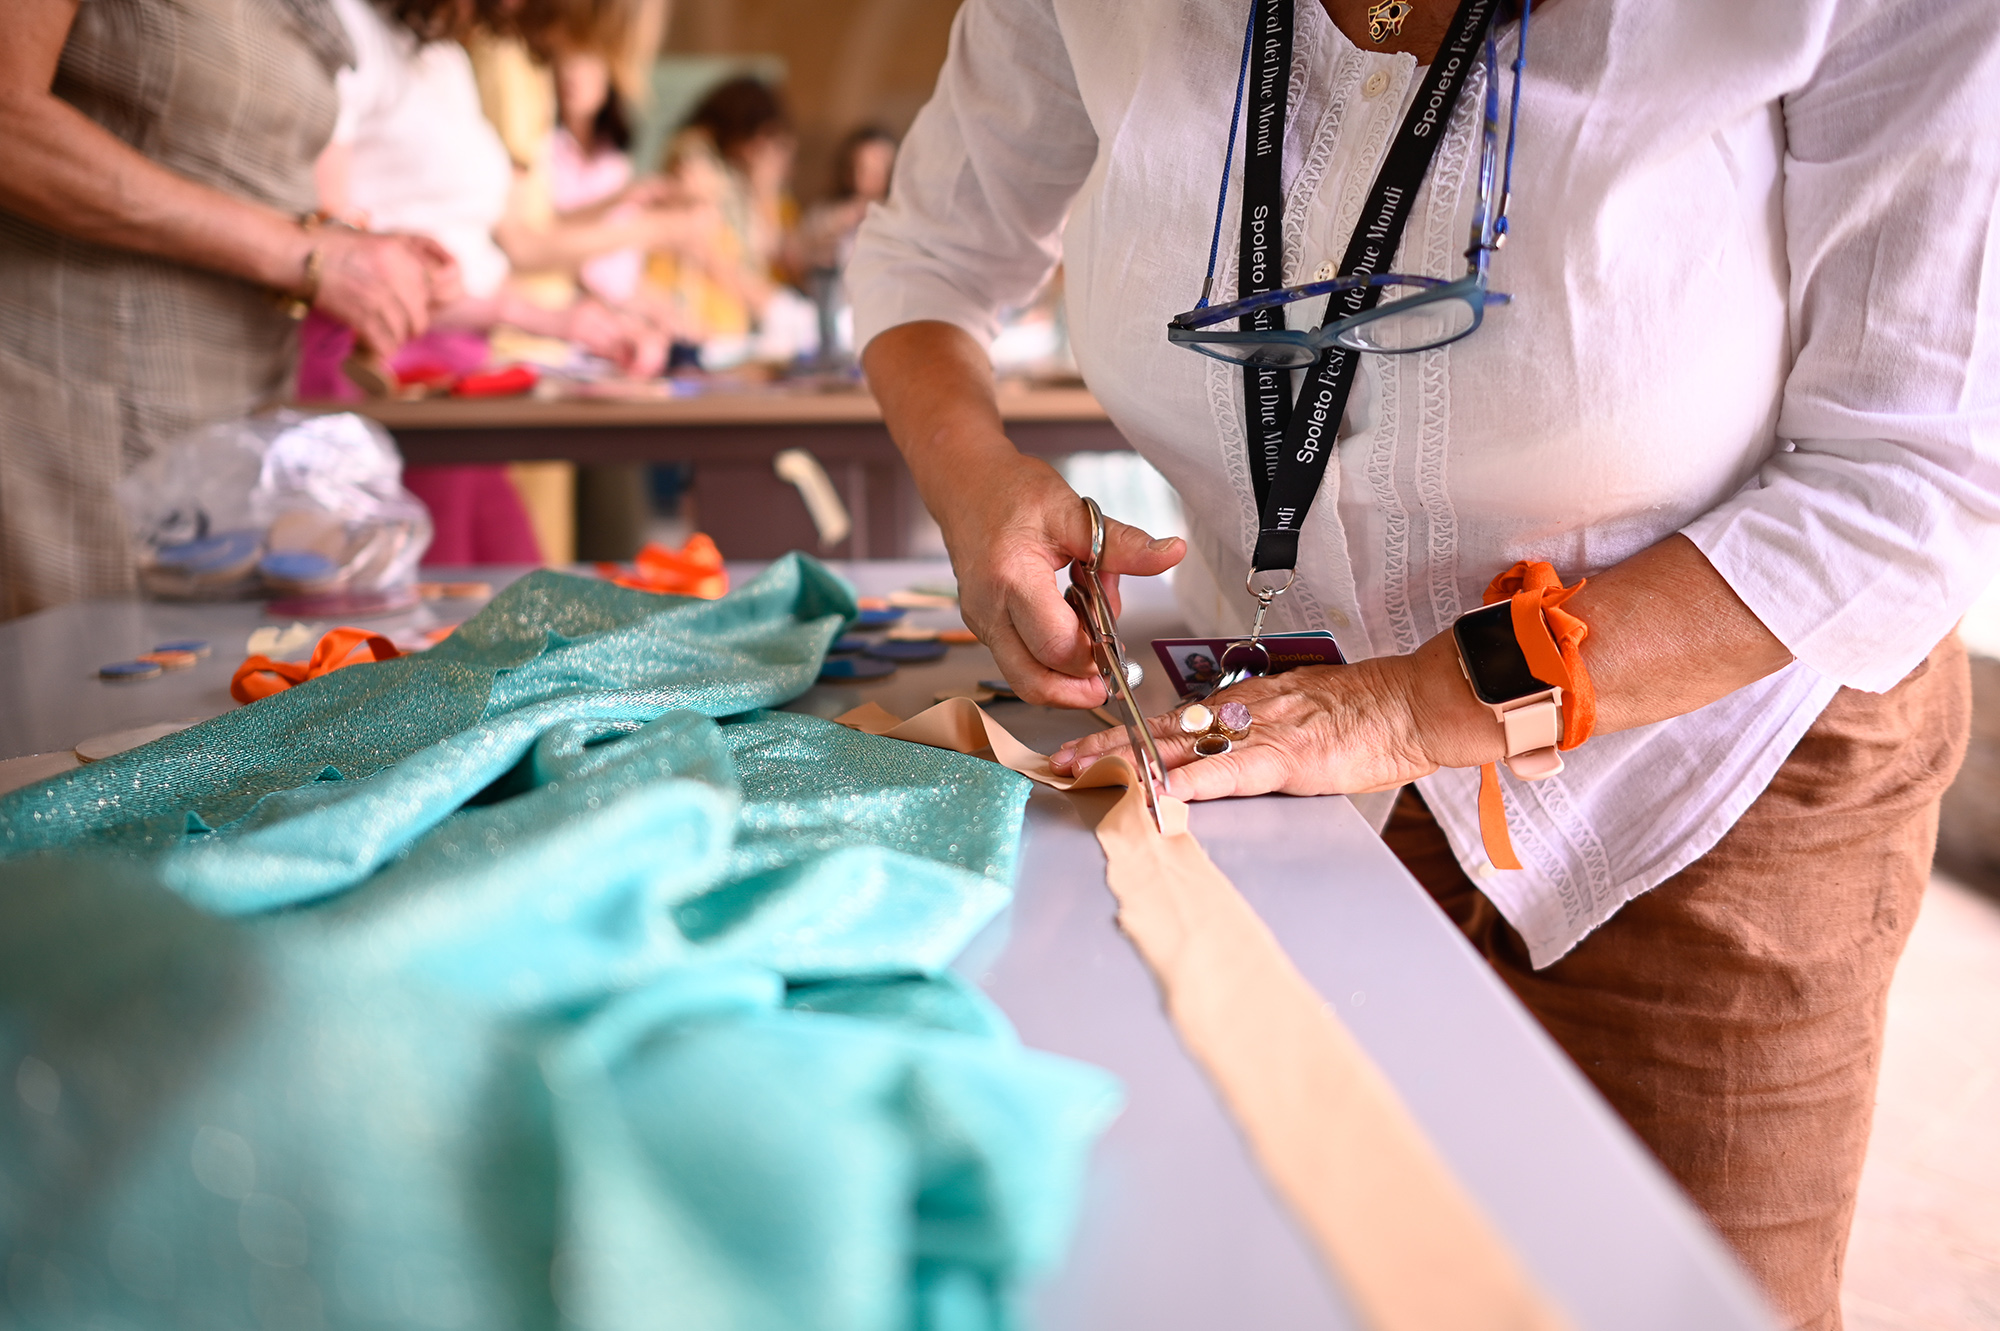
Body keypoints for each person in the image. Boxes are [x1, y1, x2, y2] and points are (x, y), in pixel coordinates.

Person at [848, 1, 2000, 1327]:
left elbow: (1913, 470)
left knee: (1677, 1291)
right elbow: (929, 257)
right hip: (1280, 738)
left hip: (1702, 760)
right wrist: (978, 481)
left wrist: (1408, 707)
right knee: (1291, 1258)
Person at [0, 0, 454, 618]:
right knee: (90, 703)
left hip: (225, 432)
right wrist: (302, 254)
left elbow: (218, 165)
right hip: (76, 411)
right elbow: (9, 114)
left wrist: (347, 244)